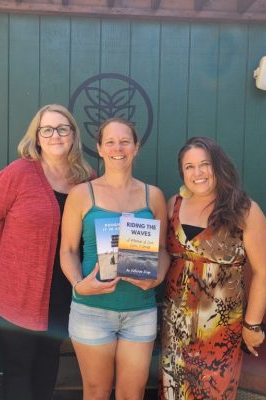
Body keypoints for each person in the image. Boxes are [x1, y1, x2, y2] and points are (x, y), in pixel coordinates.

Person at [0, 104, 93, 400]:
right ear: (37, 137)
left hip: (64, 289)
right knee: (17, 368)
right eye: (47, 129)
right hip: (18, 291)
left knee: (48, 360)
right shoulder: (17, 173)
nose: (55, 135)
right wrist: (19, 255)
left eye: (63, 128)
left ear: (73, 135)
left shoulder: (86, 178)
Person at [60, 118, 170, 400]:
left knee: (132, 394)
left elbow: (162, 250)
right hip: (92, 311)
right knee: (96, 392)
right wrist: (78, 284)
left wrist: (157, 276)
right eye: (110, 142)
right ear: (99, 148)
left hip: (140, 311)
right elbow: (68, 250)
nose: (117, 148)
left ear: (136, 147)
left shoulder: (153, 196)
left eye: (124, 142)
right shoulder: (82, 194)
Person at [159, 136, 266, 400]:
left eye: (204, 164)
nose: (197, 173)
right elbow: (163, 251)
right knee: (173, 391)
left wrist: (252, 325)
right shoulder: (173, 204)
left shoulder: (244, 210)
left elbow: (264, 273)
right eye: (189, 167)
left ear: (218, 166)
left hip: (219, 330)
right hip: (175, 324)